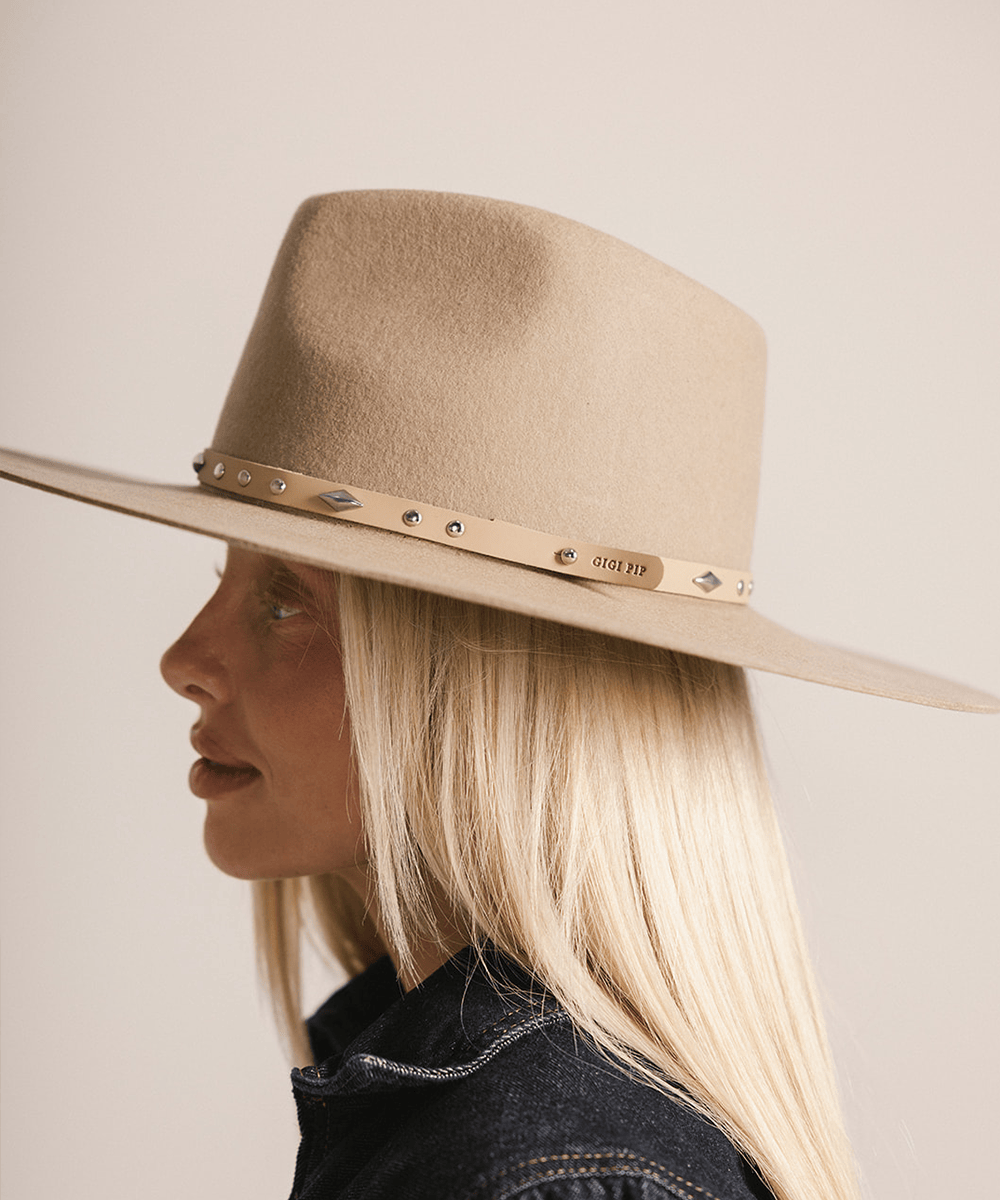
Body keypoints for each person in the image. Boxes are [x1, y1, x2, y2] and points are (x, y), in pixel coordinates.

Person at [2, 190, 996, 1200]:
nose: (184, 656)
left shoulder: (544, 1173)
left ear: (483, 693)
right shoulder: (497, 1127)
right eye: (225, 581)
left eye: (284, 602)